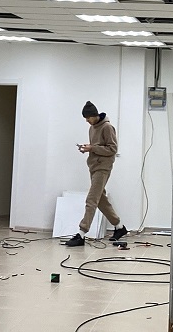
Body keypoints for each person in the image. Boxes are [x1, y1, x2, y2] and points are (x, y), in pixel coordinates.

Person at [66, 101, 127, 247]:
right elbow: (96, 147)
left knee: (91, 199)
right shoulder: (92, 128)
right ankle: (119, 227)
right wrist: (87, 148)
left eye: (88, 118)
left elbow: (112, 149)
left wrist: (92, 148)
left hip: (103, 167)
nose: (87, 121)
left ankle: (81, 234)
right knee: (100, 200)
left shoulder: (107, 127)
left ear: (94, 115)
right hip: (93, 166)